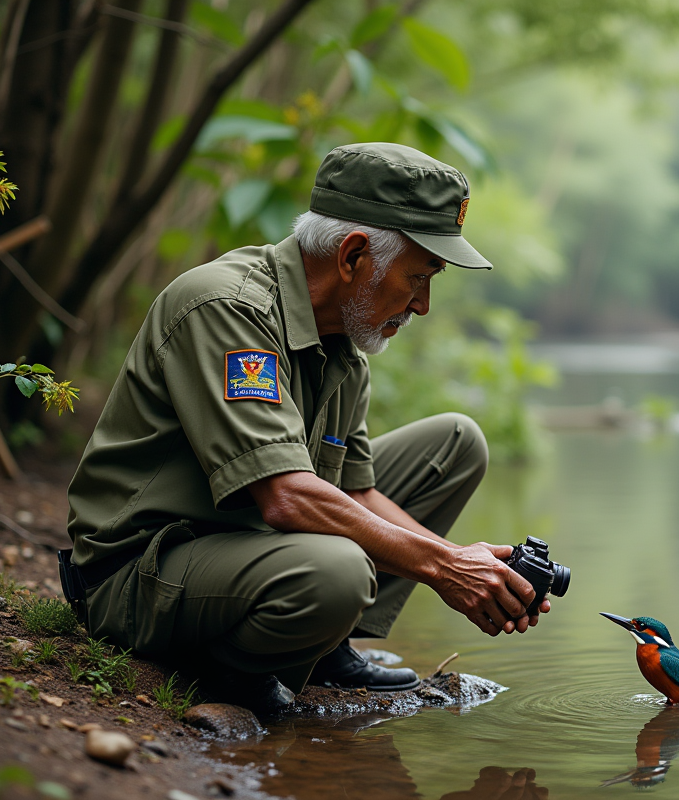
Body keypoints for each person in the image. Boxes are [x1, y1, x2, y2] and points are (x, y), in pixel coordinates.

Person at [63, 142, 550, 712]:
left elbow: (358, 495)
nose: (422, 305)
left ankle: (321, 645)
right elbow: (286, 497)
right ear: (353, 256)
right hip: (143, 572)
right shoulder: (226, 307)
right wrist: (442, 567)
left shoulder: (342, 343)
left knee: (456, 444)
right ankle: (232, 671)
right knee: (340, 572)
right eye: (419, 277)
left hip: (249, 547)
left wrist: (468, 564)